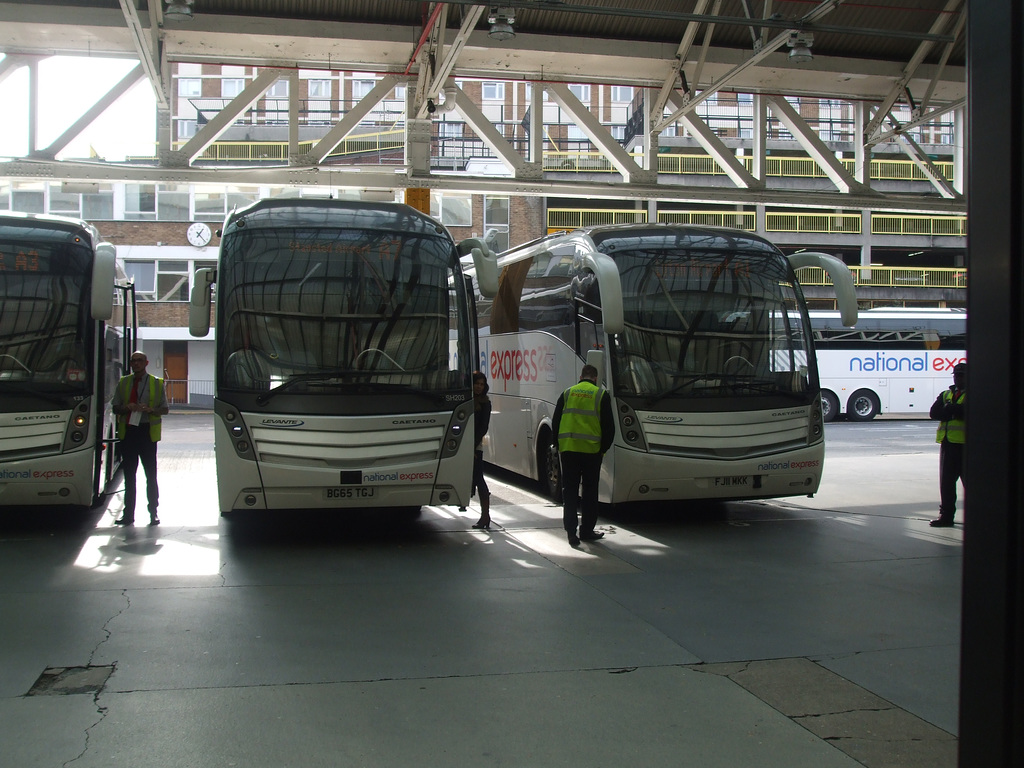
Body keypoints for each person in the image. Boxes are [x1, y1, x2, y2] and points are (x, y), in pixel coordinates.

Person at [552, 363, 615, 546]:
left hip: (569, 450)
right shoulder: (601, 395)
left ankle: (571, 532)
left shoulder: (567, 393)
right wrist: (602, 449)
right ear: (595, 379)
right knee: (589, 491)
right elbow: (609, 428)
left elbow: (556, 421)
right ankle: (586, 530)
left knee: (569, 491)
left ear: (580, 377)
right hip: (591, 452)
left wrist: (558, 444)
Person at [111, 351, 169, 526]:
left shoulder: (157, 383)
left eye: (139, 361)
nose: (135, 363)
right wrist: (126, 407)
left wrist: (151, 409)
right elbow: (115, 408)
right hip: (128, 433)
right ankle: (128, 515)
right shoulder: (124, 383)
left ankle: (154, 513)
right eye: (133, 361)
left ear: (146, 362)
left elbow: (165, 409)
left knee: (150, 475)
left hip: (146, 434)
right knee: (129, 475)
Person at [928, 361, 966, 527]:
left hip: (967, 446)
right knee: (947, 484)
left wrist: (950, 410)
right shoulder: (946, 394)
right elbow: (934, 413)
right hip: (948, 444)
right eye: (956, 375)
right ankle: (946, 517)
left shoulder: (976, 393)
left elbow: (967, 412)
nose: (957, 378)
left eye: (961, 375)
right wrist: (953, 410)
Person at [470, 371, 492, 529]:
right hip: (463, 442)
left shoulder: (485, 402)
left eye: (481, 384)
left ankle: (485, 516)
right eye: (476, 383)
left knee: (478, 477)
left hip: (475, 445)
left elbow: (483, 427)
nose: (478, 387)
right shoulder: (467, 400)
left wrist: (472, 448)